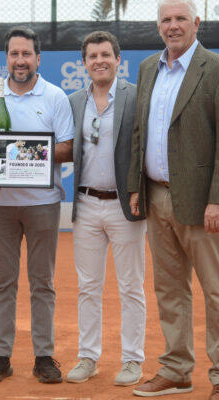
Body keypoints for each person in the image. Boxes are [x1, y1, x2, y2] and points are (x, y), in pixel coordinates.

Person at [127, 1, 219, 399]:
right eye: (166, 20)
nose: (173, 26)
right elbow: (140, 133)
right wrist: (134, 187)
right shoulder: (147, 68)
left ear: (197, 23)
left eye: (180, 19)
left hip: (202, 203)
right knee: (169, 290)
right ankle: (176, 369)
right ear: (158, 26)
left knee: (216, 290)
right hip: (156, 196)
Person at [0, 26, 74, 384]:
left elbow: (68, 148)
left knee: (42, 282)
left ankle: (44, 355)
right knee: (3, 283)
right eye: (14, 54)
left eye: (26, 54)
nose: (20, 61)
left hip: (43, 203)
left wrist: (21, 153)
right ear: (7, 59)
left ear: (38, 59)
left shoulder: (56, 97)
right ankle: (1, 355)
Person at [65, 31, 147, 387]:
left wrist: (139, 190)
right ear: (83, 63)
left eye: (105, 55)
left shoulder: (135, 95)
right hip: (84, 205)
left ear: (118, 59)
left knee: (131, 286)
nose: (99, 60)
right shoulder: (73, 102)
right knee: (88, 286)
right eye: (92, 56)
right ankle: (88, 357)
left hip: (124, 206)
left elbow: (146, 146)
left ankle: (132, 360)